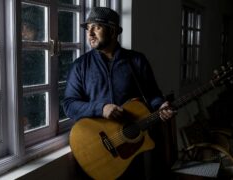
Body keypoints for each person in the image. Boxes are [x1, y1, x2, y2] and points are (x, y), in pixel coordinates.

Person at [63, 7, 175, 180]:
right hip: (96, 150)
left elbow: (152, 94)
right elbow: (69, 105)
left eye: (97, 27)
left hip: (131, 146)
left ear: (113, 31)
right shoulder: (80, 66)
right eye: (88, 28)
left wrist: (161, 105)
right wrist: (101, 109)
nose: (90, 33)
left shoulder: (137, 60)